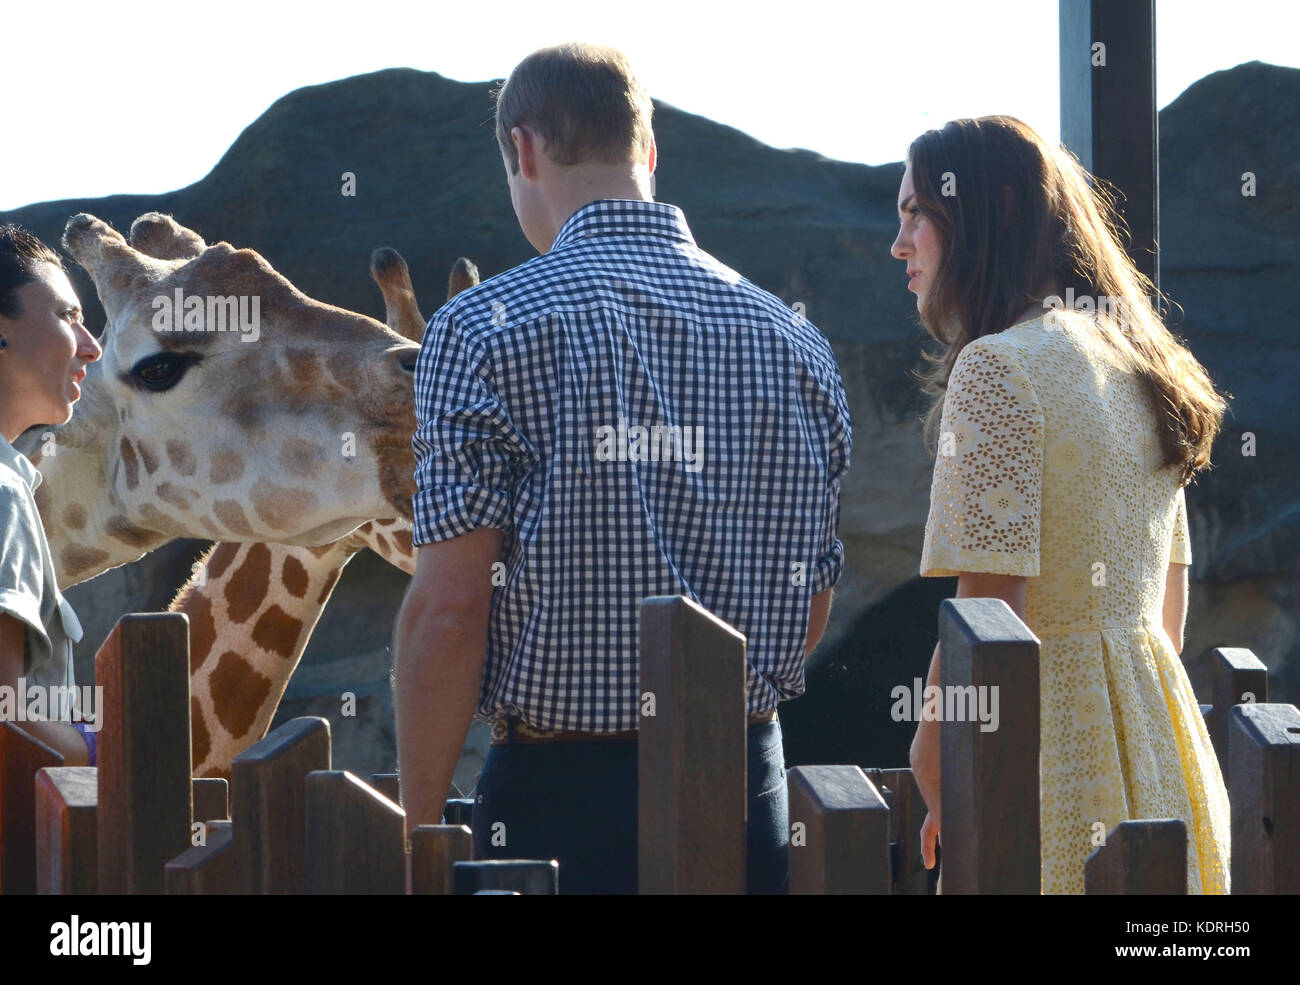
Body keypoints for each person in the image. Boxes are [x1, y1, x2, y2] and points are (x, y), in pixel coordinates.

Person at [393, 42, 851, 894]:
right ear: (649, 151)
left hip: (556, 811)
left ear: (522, 150)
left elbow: (450, 609)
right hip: (748, 793)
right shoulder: (797, 343)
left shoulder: (481, 328)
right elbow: (812, 601)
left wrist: (421, 831)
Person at [893, 116, 1231, 894]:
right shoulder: (1146, 366)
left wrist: (933, 763)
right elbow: (1167, 618)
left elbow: (988, 623)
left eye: (917, 213)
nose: (899, 243)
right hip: (1167, 766)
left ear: (993, 209)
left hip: (1048, 773)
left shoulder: (998, 369)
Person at [0, 225, 104, 765]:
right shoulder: (3, 493)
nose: (93, 346)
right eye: (68, 317)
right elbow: (5, 713)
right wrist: (102, 757)